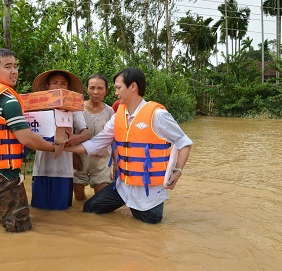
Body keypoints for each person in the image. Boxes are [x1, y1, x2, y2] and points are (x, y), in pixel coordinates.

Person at [63, 67, 193, 224]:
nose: (116, 93)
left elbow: (184, 142)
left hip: (148, 191)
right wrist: (66, 148)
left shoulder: (158, 115)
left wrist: (177, 171)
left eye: (118, 88)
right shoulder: (119, 115)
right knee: (90, 208)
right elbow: (98, 142)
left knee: (150, 225)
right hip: (123, 185)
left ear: (133, 87)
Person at [0, 48, 63, 233]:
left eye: (15, 66)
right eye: (8, 67)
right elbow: (26, 138)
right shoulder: (7, 99)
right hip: (2, 177)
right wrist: (53, 147)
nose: (14, 71)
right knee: (20, 230)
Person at [30, 70, 91, 210]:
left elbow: (86, 133)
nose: (59, 86)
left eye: (63, 84)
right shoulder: (37, 107)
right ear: (47, 86)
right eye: (55, 83)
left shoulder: (73, 108)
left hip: (64, 170)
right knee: (39, 211)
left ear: (68, 88)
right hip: (41, 169)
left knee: (61, 212)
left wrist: (76, 138)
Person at [73, 74, 116, 201]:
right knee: (79, 199)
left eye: (100, 88)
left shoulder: (110, 112)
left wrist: (116, 163)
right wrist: (73, 156)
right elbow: (69, 134)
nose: (96, 92)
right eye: (92, 88)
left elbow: (114, 140)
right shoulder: (77, 109)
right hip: (80, 161)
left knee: (100, 201)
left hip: (101, 162)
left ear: (106, 91)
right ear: (86, 89)